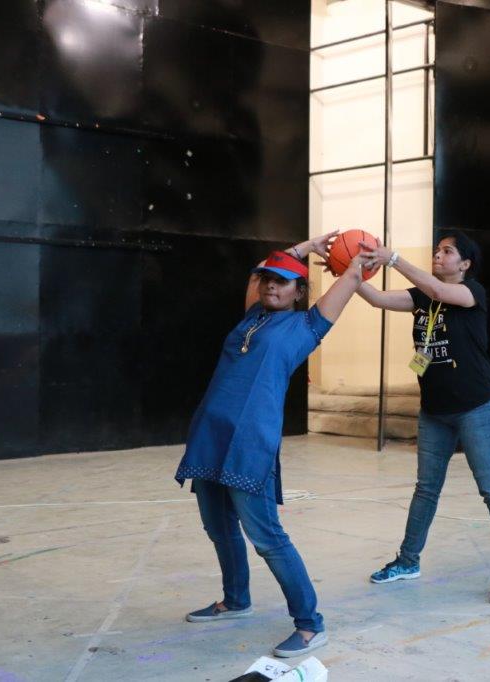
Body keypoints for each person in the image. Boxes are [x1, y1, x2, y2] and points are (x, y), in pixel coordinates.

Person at [173, 231, 365, 658]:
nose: (271, 286)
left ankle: (310, 624)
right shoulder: (252, 316)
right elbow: (255, 273)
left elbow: (350, 282)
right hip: (211, 432)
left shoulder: (307, 327)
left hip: (250, 441)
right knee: (218, 527)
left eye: (282, 281)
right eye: (268, 280)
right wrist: (303, 248)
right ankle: (236, 600)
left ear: (300, 292)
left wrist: (359, 262)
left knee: (267, 536)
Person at [354, 230, 490, 604]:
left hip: (476, 406)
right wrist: (348, 269)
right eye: (436, 249)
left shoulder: (471, 292)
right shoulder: (421, 297)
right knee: (426, 489)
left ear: (465, 264)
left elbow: (438, 290)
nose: (438, 254)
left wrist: (393, 258)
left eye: (448, 251)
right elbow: (377, 298)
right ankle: (408, 561)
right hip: (434, 411)